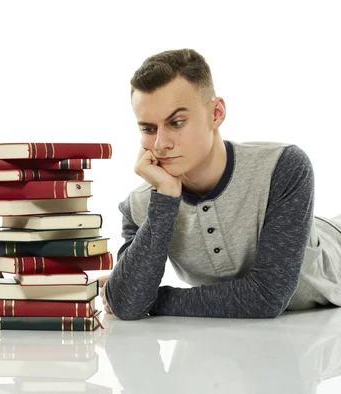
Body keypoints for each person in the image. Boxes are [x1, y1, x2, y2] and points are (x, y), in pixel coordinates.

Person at [101, 49, 341, 319]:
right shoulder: (141, 205)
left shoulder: (283, 166)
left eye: (177, 122)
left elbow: (265, 297)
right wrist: (165, 198)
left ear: (216, 113)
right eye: (148, 129)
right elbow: (126, 304)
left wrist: (153, 300)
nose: (160, 144)